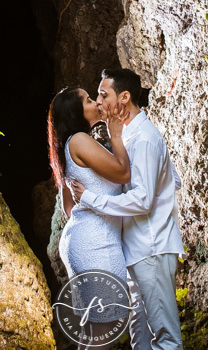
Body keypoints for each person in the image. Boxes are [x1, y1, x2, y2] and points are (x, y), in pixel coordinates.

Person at [70, 68, 185, 350]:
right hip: (135, 250)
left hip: (152, 246)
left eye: (103, 94)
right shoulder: (127, 137)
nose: (98, 101)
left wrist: (91, 199)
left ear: (124, 97)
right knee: (140, 336)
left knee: (165, 337)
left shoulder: (144, 137)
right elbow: (174, 179)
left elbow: (143, 200)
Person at [47, 85, 132, 349]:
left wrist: (92, 203)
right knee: (106, 328)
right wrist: (116, 135)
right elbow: (122, 173)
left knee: (94, 331)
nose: (96, 102)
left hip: (81, 239)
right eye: (87, 100)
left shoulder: (71, 145)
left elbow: (69, 208)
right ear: (76, 112)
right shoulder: (80, 141)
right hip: (96, 243)